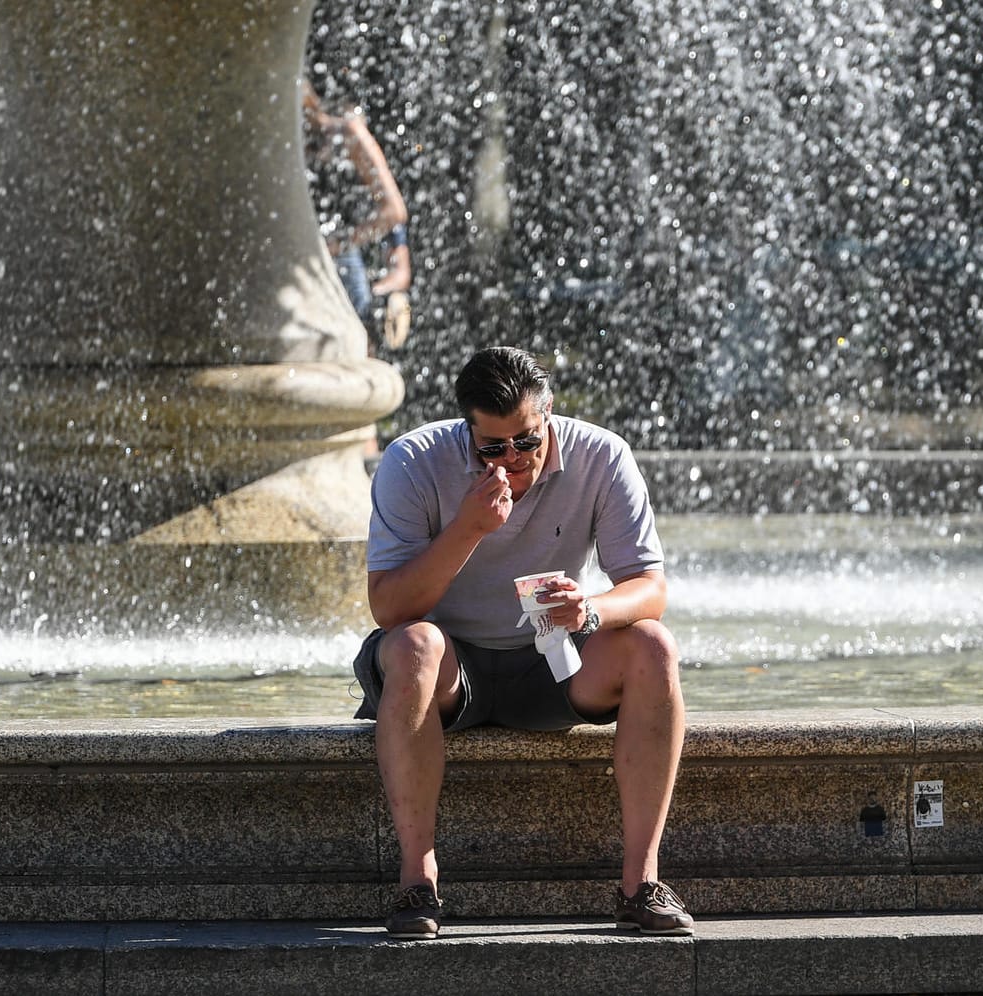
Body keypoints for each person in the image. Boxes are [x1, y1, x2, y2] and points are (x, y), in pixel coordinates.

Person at [352, 345, 690, 939]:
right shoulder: (412, 461)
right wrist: (467, 530)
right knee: (413, 645)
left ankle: (642, 884)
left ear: (549, 414)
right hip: (446, 671)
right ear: (468, 432)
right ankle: (417, 882)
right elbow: (389, 608)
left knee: (653, 646)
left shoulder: (602, 455)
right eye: (494, 448)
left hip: (553, 660)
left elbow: (650, 586)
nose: (515, 459)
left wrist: (590, 611)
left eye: (529, 441)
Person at [302, 79, 412, 352]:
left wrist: (337, 245)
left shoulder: (347, 133)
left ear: (311, 102)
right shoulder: (289, 145)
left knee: (355, 354)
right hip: (303, 260)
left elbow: (394, 211)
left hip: (342, 258)